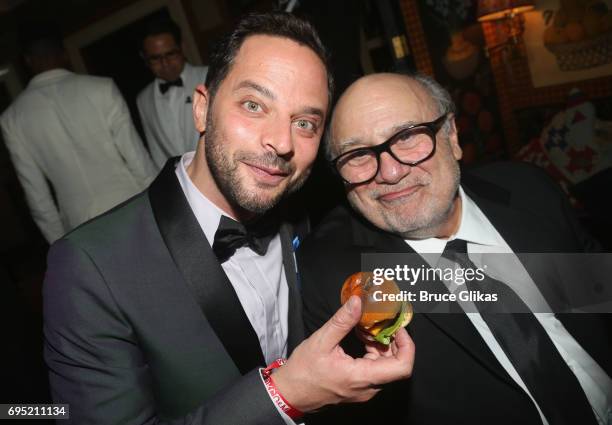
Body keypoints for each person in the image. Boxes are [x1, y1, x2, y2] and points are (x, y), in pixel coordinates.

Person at [43, 14, 414, 425]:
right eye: (254, 105)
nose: (281, 142)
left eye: (305, 123)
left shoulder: (307, 217)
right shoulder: (90, 269)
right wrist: (283, 396)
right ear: (202, 109)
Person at [298, 73, 612, 424]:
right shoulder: (328, 275)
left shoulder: (529, 190)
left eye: (406, 136)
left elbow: (600, 302)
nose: (389, 171)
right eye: (357, 155)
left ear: (452, 135)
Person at [0, 28, 156, 243]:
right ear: (64, 54)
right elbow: (137, 157)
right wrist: (161, 204)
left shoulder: (12, 118)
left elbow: (37, 197)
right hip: (131, 205)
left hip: (79, 227)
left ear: (28, 61)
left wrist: (60, 244)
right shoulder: (101, 88)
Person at [137, 18, 209, 170]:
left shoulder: (209, 76)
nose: (165, 63)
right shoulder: (143, 99)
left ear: (181, 48)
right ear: (144, 59)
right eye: (155, 58)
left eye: (171, 54)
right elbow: (156, 150)